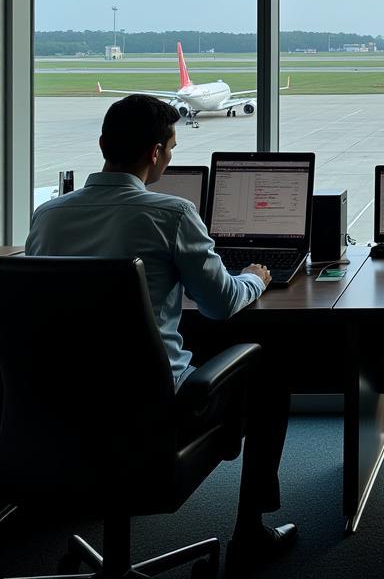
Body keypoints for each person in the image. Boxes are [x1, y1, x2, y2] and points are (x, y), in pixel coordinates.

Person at [26, 95, 297, 576]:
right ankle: (251, 531)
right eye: (171, 149)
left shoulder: (47, 216)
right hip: (151, 412)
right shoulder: (169, 213)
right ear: (155, 153)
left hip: (59, 408)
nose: (170, 158)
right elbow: (218, 304)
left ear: (103, 145)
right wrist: (256, 277)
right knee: (269, 373)